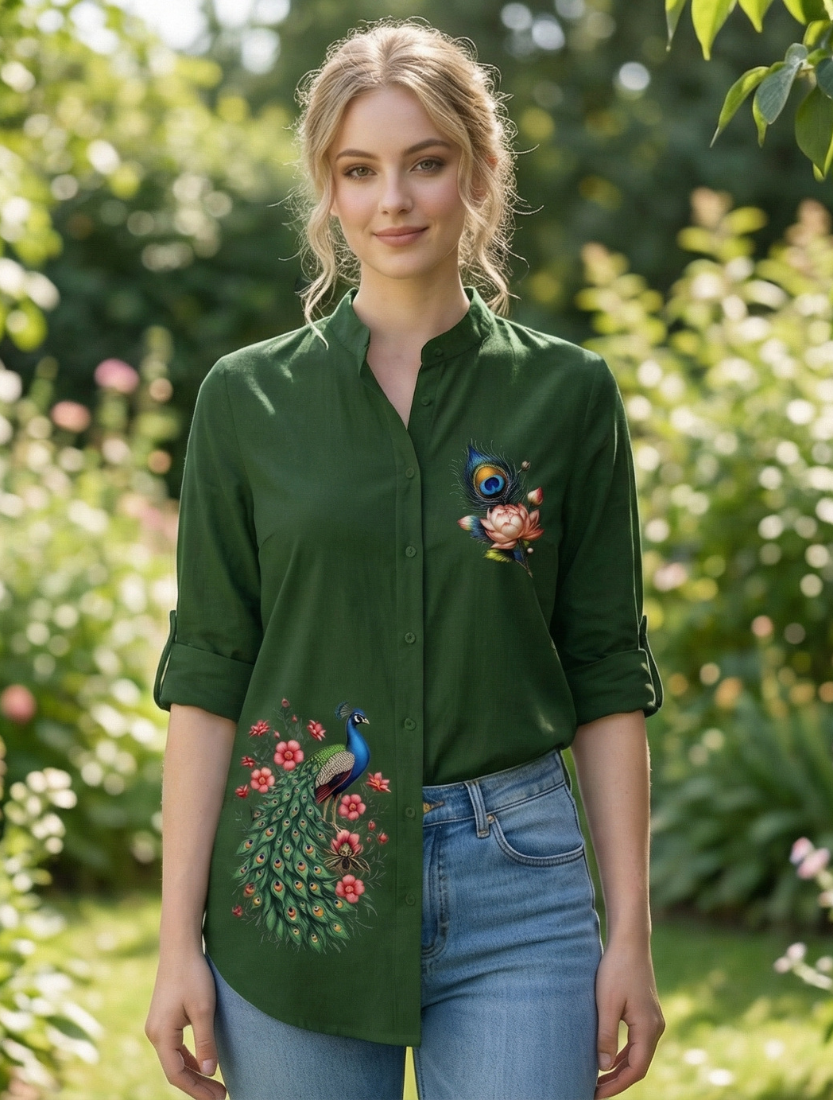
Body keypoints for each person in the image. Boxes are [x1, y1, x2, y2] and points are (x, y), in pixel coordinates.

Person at [144, 18, 666, 1100]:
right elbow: (207, 671)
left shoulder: (567, 394)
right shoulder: (247, 400)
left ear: (477, 171)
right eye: (360, 170)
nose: (394, 201)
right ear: (327, 190)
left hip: (519, 883)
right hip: (299, 880)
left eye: (425, 163)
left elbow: (608, 669)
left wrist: (632, 937)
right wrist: (173, 941)